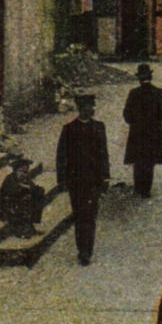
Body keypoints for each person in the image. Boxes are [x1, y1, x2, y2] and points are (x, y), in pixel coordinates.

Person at [55, 92, 109, 266]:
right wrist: (62, 180)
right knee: (80, 216)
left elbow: (103, 154)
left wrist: (106, 177)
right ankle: (81, 250)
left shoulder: (99, 127)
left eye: (92, 107)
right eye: (87, 108)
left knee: (90, 216)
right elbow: (61, 156)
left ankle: (87, 251)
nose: (91, 110)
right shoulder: (69, 129)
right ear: (80, 109)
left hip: (94, 180)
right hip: (76, 181)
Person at [122, 63, 162, 199]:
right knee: (149, 161)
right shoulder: (158, 92)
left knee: (138, 161)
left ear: (139, 79)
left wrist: (135, 123)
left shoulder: (134, 93)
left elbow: (127, 114)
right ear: (150, 76)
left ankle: (138, 188)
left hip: (137, 134)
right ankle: (146, 190)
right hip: (153, 134)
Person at [0, 158, 45, 238]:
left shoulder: (26, 179)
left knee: (36, 197)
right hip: (5, 205)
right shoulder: (10, 179)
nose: (24, 174)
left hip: (19, 203)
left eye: (26, 172)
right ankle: (20, 229)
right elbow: (12, 191)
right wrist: (25, 189)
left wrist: (35, 190)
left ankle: (30, 226)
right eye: (21, 171)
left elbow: (33, 188)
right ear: (15, 171)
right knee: (22, 201)